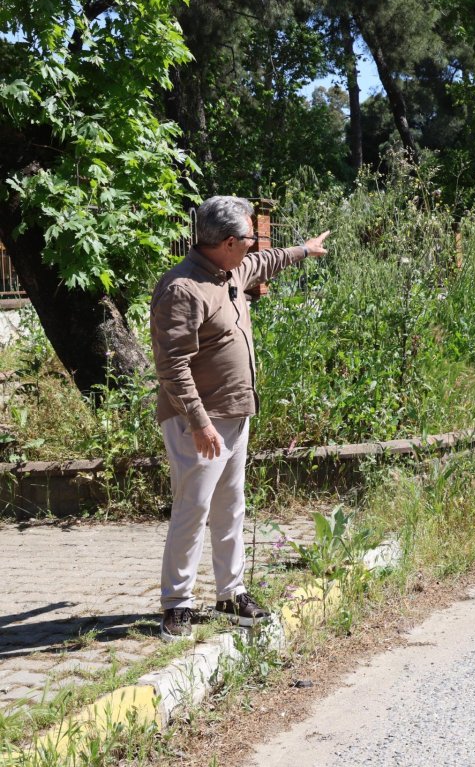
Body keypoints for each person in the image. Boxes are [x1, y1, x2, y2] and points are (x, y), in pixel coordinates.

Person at [150, 196, 329, 641]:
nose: (254, 243)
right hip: (200, 421)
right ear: (229, 241)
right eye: (249, 236)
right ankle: (177, 603)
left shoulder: (233, 270)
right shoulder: (182, 288)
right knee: (193, 509)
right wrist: (199, 422)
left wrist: (304, 250)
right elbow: (172, 365)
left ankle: (230, 594)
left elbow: (267, 261)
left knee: (231, 507)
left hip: (234, 412)